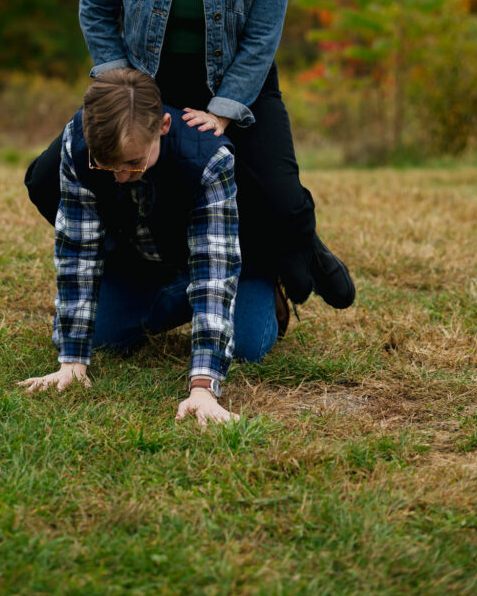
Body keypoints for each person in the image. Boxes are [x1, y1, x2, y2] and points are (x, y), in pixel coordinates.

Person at [27, 0, 354, 310]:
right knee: (45, 178)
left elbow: (263, 37)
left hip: (238, 82)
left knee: (281, 206)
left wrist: (224, 110)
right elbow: (95, 5)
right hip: (144, 81)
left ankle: (283, 256)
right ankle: (149, 267)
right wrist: (120, 82)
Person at [19, 69, 285, 426]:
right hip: (149, 257)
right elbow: (77, 252)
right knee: (103, 340)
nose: (119, 176)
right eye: (106, 163)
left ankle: (264, 292)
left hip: (223, 258)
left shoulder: (209, 157)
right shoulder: (78, 144)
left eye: (133, 163)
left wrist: (202, 388)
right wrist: (72, 361)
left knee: (247, 347)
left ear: (162, 126)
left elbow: (213, 270)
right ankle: (171, 296)